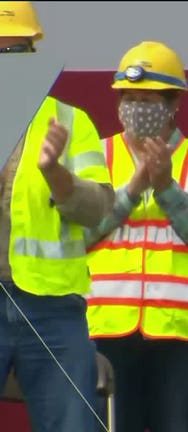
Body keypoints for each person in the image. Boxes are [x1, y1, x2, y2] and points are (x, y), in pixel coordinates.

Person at [83, 41, 188, 432]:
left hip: (181, 336)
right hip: (105, 330)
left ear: (174, 103)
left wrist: (166, 190)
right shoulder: (96, 155)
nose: (135, 106)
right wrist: (130, 191)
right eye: (128, 96)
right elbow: (76, 234)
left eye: (148, 98)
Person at [0, 2, 116, 431]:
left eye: (12, 54)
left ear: (34, 53)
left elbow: (101, 211)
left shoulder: (69, 121)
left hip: (51, 311)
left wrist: (56, 175)